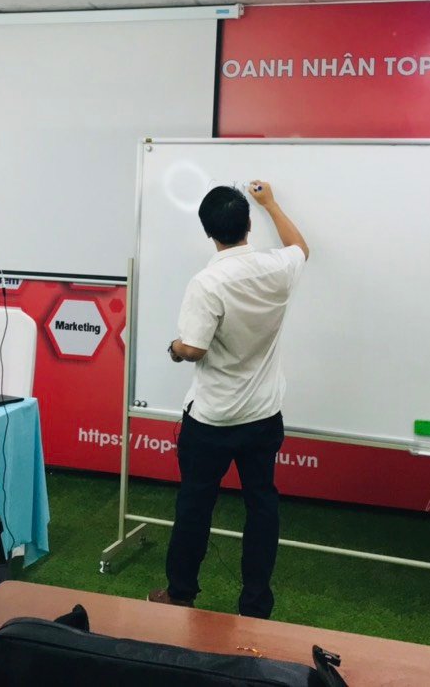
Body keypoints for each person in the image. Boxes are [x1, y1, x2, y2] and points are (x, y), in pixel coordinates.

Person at [149, 180, 309, 619]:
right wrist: (271, 202)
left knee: (195, 506)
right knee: (262, 506)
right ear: (248, 225)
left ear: (208, 232)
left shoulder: (208, 282)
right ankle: (256, 606)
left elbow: (193, 349)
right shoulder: (277, 267)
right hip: (263, 415)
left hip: (213, 419)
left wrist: (173, 348)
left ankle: (180, 594)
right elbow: (301, 248)